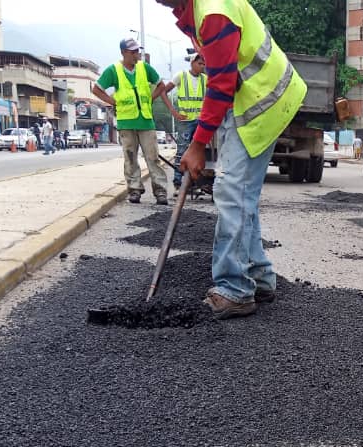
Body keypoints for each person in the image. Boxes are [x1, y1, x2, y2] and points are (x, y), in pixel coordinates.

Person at [155, 0, 307, 319]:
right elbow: (223, 75)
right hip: (266, 97)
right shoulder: (198, 13)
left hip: (262, 98)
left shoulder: (212, 13)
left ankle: (235, 288)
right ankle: (259, 276)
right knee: (243, 194)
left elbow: (221, 82)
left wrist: (196, 145)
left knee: (230, 190)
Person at [91, 38, 171, 205]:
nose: (136, 54)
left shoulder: (144, 68)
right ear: (123, 53)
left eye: (137, 51)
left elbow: (161, 85)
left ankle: (160, 191)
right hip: (126, 122)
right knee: (130, 158)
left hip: (146, 121)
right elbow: (97, 89)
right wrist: (112, 101)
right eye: (133, 52)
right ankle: (134, 190)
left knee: (153, 157)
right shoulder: (114, 70)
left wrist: (150, 100)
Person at [160, 52, 207, 189]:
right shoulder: (181, 76)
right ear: (192, 63)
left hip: (199, 122)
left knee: (198, 152)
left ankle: (193, 181)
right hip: (185, 122)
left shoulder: (205, 79)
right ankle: (178, 182)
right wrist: (173, 111)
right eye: (199, 63)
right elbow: (163, 91)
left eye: (204, 64)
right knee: (182, 151)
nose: (202, 66)